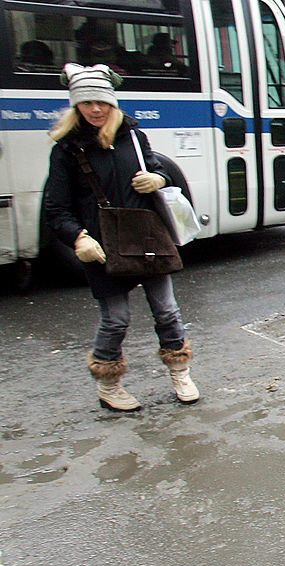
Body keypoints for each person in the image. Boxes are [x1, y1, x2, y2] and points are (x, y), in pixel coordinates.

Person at [44, 63, 200, 412]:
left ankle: (180, 372)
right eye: (87, 103)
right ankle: (108, 384)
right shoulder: (67, 149)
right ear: (76, 106)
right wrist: (78, 238)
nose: (96, 109)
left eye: (102, 102)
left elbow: (156, 168)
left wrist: (158, 179)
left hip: (145, 237)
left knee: (167, 311)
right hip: (101, 245)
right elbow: (56, 208)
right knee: (115, 319)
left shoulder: (133, 135)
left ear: (113, 103)